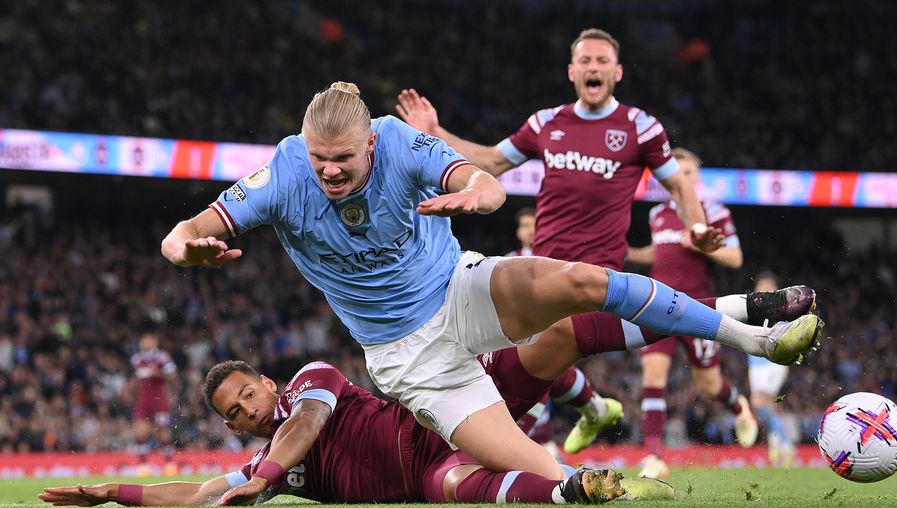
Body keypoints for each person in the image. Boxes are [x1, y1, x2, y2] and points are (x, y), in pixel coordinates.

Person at [161, 81, 822, 485]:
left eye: (342, 160)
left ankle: (754, 339)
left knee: (583, 283)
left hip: (458, 287)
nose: (329, 173)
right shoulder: (283, 173)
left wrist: (474, 198)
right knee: (547, 475)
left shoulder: (397, 141)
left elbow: (480, 181)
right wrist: (184, 247)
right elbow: (186, 228)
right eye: (319, 160)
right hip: (404, 356)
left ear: (369, 145)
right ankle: (601, 450)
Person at [395, 28, 816, 452]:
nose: (593, 67)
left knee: (556, 347)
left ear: (616, 72)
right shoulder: (546, 122)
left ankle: (756, 321)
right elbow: (490, 160)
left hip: (598, 273)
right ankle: (590, 413)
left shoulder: (640, 127)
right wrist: (436, 133)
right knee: (528, 366)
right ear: (572, 71)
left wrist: (695, 227)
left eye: (601, 61)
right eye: (585, 61)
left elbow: (681, 187)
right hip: (541, 273)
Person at [39, 313, 676, 507]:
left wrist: (261, 477)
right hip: (428, 474)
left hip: (439, 416)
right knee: (457, 486)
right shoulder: (269, 465)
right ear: (231, 426)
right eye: (238, 411)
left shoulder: (309, 383)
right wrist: (112, 494)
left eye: (249, 392)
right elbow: (204, 491)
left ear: (265, 381)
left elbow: (308, 424)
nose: (252, 408)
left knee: (553, 337)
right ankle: (581, 492)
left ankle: (719, 315)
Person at [625, 148, 771, 477]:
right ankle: (654, 456)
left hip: (698, 306)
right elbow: (662, 251)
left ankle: (739, 407)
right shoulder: (658, 214)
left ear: (697, 177)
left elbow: (735, 258)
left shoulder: (712, 211)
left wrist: (707, 246)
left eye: (688, 172)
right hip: (658, 303)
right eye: (674, 172)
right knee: (653, 377)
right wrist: (631, 253)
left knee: (709, 385)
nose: (680, 178)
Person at [506, 207, 623, 458]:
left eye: (535, 224)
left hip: (554, 331)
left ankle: (539, 444)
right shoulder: (507, 262)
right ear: (518, 231)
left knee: (543, 374)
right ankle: (594, 410)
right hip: (515, 338)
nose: (531, 230)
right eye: (526, 225)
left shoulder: (557, 259)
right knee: (538, 378)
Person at [746, 272, 799, 468]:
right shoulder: (748, 312)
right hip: (755, 364)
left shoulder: (781, 312)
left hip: (772, 362)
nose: (765, 291)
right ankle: (780, 442)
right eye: (761, 287)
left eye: (769, 287)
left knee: (761, 402)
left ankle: (782, 443)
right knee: (764, 406)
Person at [129, 333, 178, 471]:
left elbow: (172, 376)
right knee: (140, 431)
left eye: (148, 340)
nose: (145, 343)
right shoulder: (136, 359)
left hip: (159, 400)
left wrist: (157, 373)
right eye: (143, 340)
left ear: (155, 341)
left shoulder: (163, 357)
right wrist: (130, 391)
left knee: (162, 431)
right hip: (143, 400)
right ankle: (143, 465)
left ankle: (169, 463)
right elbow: (136, 380)